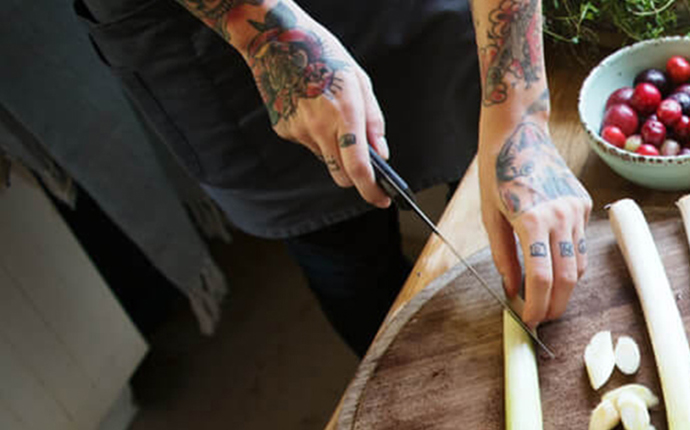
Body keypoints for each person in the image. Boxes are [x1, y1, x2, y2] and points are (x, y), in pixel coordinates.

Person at [76, 0, 590, 353]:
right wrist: (264, 26)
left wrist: (519, 111)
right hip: (201, 39)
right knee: (346, 261)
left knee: (496, 203)